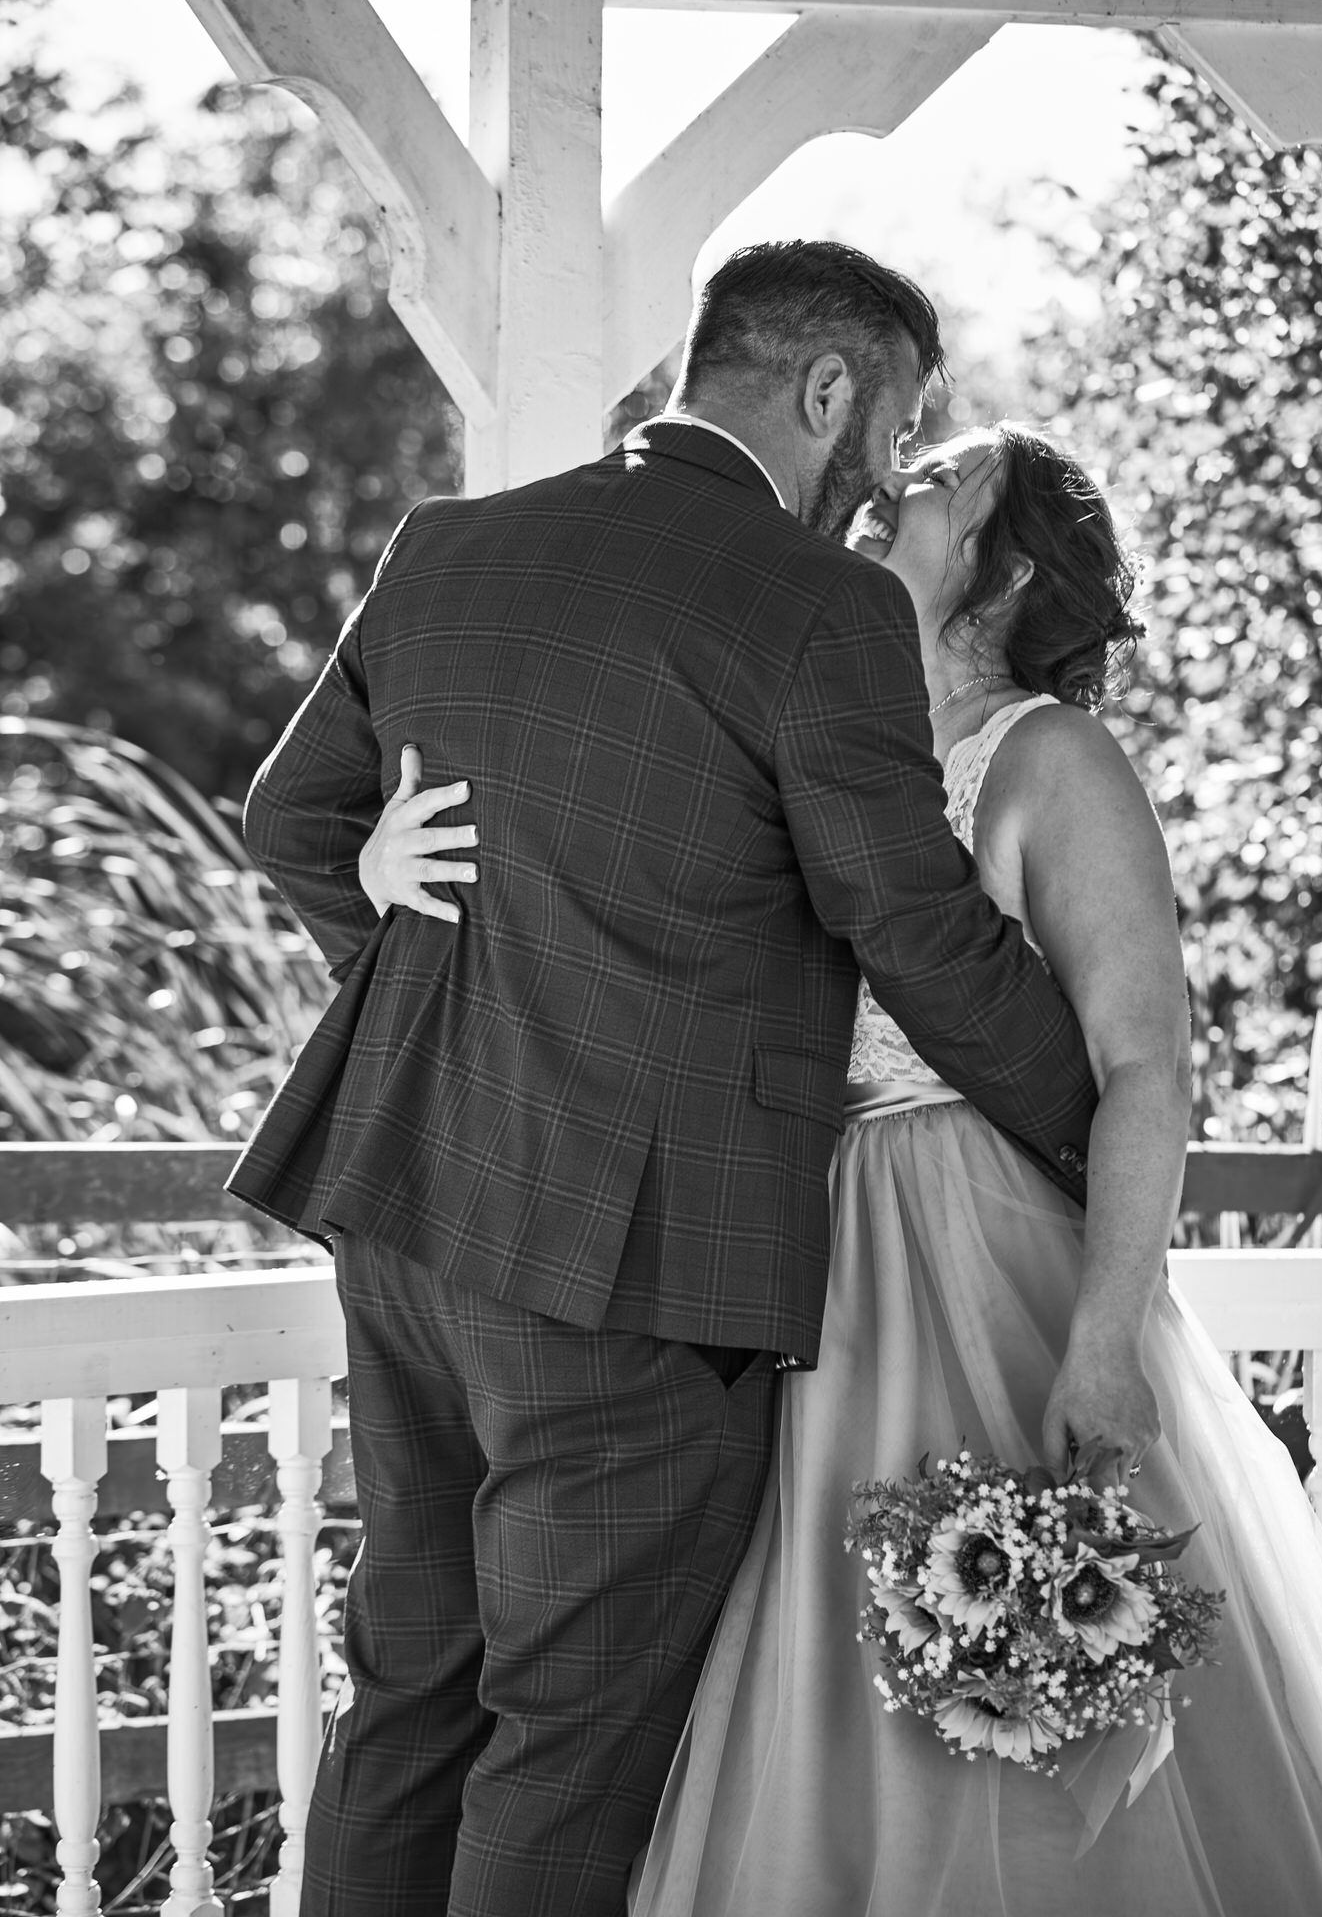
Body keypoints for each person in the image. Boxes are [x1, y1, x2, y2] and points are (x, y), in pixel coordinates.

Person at [227, 244, 1100, 1917]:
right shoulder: (809, 600)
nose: (882, 472)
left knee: (411, 1697)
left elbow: (290, 824)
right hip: (626, 1270)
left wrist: (387, 913)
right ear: (829, 392)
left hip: (404, 1213)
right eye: (896, 417)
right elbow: (904, 920)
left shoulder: (450, 543)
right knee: (562, 1745)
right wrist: (1099, 1128)